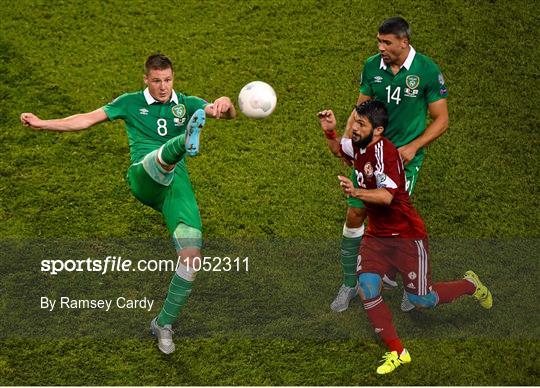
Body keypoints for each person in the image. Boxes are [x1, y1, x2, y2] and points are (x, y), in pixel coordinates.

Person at [20, 53, 236, 354]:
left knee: (192, 257)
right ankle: (180, 144)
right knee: (158, 160)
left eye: (168, 80)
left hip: (176, 188)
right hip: (143, 177)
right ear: (146, 80)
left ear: (173, 78)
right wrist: (43, 123)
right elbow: (85, 119)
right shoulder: (129, 102)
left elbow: (223, 113)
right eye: (157, 80)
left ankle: (163, 323)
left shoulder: (186, 103)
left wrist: (225, 103)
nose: (163, 86)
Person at [319, 100, 492, 374]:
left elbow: (386, 197)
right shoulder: (359, 144)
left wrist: (356, 193)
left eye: (360, 125)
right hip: (377, 237)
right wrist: (330, 131)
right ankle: (398, 352)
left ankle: (470, 285)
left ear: (377, 131)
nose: (353, 128)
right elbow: (338, 149)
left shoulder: (386, 154)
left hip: (406, 238)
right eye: (353, 122)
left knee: (423, 300)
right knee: (367, 287)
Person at [327, 16, 449, 313]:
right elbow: (359, 109)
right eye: (378, 41)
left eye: (386, 42)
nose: (380, 47)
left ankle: (411, 283)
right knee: (356, 212)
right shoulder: (372, 66)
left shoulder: (427, 71)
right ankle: (348, 282)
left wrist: (413, 146)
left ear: (403, 42)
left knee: (395, 220)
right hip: (369, 153)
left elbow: (442, 120)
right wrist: (348, 143)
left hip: (403, 159)